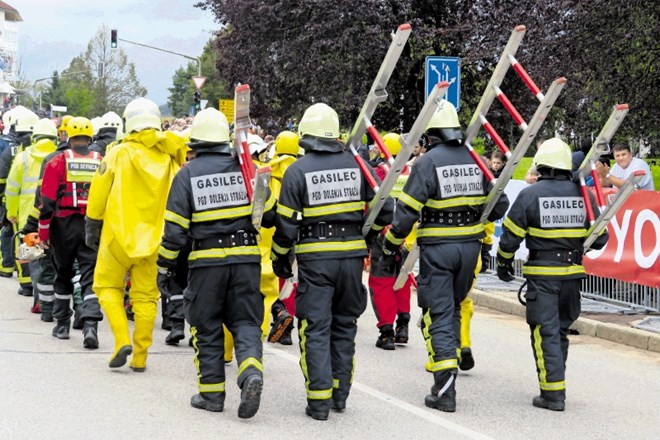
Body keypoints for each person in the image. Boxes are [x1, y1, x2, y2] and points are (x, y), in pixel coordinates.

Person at [381, 100, 509, 413]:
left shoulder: (427, 163)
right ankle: (448, 372)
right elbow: (501, 205)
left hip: (438, 248)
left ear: (430, 134)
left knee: (438, 312)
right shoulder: (476, 160)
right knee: (451, 308)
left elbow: (408, 212)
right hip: (470, 247)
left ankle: (445, 389)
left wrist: (390, 244)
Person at [271, 103, 393, 421]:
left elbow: (286, 226)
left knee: (315, 328)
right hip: (352, 258)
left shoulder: (297, 171)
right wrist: (366, 238)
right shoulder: (358, 163)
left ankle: (319, 402)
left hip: (315, 259)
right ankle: (339, 396)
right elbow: (386, 210)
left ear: (306, 134)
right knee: (344, 326)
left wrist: (280, 258)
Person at [157, 107, 275, 418]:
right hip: (247, 259)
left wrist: (164, 266)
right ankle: (251, 373)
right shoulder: (247, 168)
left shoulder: (186, 175)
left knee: (206, 326)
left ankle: (212, 395)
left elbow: (174, 232)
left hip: (207, 262)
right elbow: (271, 213)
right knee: (247, 322)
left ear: (195, 142)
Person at [496, 138, 609, 411]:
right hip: (573, 276)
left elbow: (510, 237)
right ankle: (556, 383)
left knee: (544, 331)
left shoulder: (530, 195)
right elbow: (600, 239)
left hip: (543, 275)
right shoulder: (585, 194)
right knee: (559, 331)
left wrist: (503, 263)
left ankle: (552, 394)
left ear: (541, 165)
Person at [86, 97, 186, 372]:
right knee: (146, 297)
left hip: (117, 236)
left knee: (106, 287)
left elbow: (98, 193)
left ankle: (121, 341)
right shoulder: (169, 157)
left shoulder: (118, 153)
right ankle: (140, 356)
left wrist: (92, 225)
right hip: (155, 240)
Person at [38, 117, 103, 347]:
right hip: (91, 226)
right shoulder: (101, 161)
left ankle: (63, 324)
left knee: (63, 274)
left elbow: (46, 202)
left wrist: (43, 234)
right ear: (90, 137)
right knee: (89, 277)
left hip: (63, 227)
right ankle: (90, 326)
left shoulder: (57, 162)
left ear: (66, 136)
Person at [6, 119, 58, 313]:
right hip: (53, 215)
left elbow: (12, 188)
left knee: (34, 258)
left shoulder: (23, 157)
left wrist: (11, 212)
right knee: (53, 258)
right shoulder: (59, 156)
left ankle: (39, 298)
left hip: (28, 215)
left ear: (34, 136)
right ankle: (53, 298)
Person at [368, 132, 413, 350]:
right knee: (401, 281)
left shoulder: (379, 172)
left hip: (383, 235)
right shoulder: (411, 172)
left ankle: (387, 332)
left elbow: (371, 204)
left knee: (381, 282)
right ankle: (402, 325)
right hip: (408, 237)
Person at [0, 107, 39, 294]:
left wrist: (9, 209)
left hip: (22, 206)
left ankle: (25, 282)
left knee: (22, 242)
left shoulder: (14, 151)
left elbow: (5, 180)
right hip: (46, 206)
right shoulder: (50, 150)